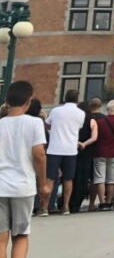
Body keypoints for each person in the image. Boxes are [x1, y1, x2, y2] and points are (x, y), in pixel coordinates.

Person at [0, 81, 50, 256]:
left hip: (0, 186)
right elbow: (39, 155)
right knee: (20, 236)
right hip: (23, 186)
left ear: (7, 100)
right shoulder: (34, 123)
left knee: (0, 239)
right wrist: (43, 183)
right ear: (28, 101)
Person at [43, 90, 84, 216]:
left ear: (65, 98)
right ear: (77, 99)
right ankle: (65, 206)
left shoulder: (56, 111)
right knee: (68, 179)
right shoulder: (81, 113)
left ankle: (44, 207)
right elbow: (79, 127)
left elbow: (47, 125)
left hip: (55, 148)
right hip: (71, 149)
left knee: (50, 178)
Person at [91, 99, 114, 210]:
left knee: (100, 178)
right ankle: (109, 202)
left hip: (100, 152)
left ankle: (102, 202)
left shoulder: (100, 122)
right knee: (111, 179)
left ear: (107, 109)